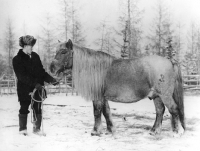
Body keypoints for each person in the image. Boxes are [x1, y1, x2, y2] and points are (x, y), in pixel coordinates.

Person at [12, 35, 59, 136]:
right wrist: (35, 84)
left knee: (37, 108)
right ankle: (23, 130)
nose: (32, 48)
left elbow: (41, 72)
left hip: (38, 88)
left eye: (32, 45)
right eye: (30, 45)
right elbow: (21, 76)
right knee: (24, 107)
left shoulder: (35, 56)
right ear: (24, 46)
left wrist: (51, 80)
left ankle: (37, 129)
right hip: (24, 89)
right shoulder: (17, 59)